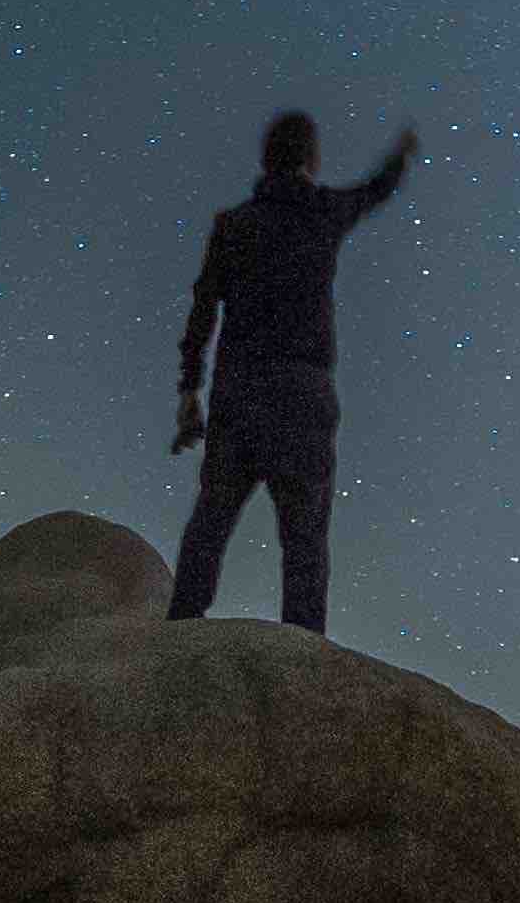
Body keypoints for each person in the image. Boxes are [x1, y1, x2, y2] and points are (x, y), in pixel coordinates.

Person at [166, 106, 418, 633]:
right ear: (312, 158)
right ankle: (305, 658)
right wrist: (402, 154)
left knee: (210, 521)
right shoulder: (323, 212)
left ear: (265, 160)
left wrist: (190, 392)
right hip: (303, 394)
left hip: (240, 393)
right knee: (305, 542)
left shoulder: (233, 226)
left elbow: (202, 310)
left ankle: (177, 632)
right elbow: (376, 190)